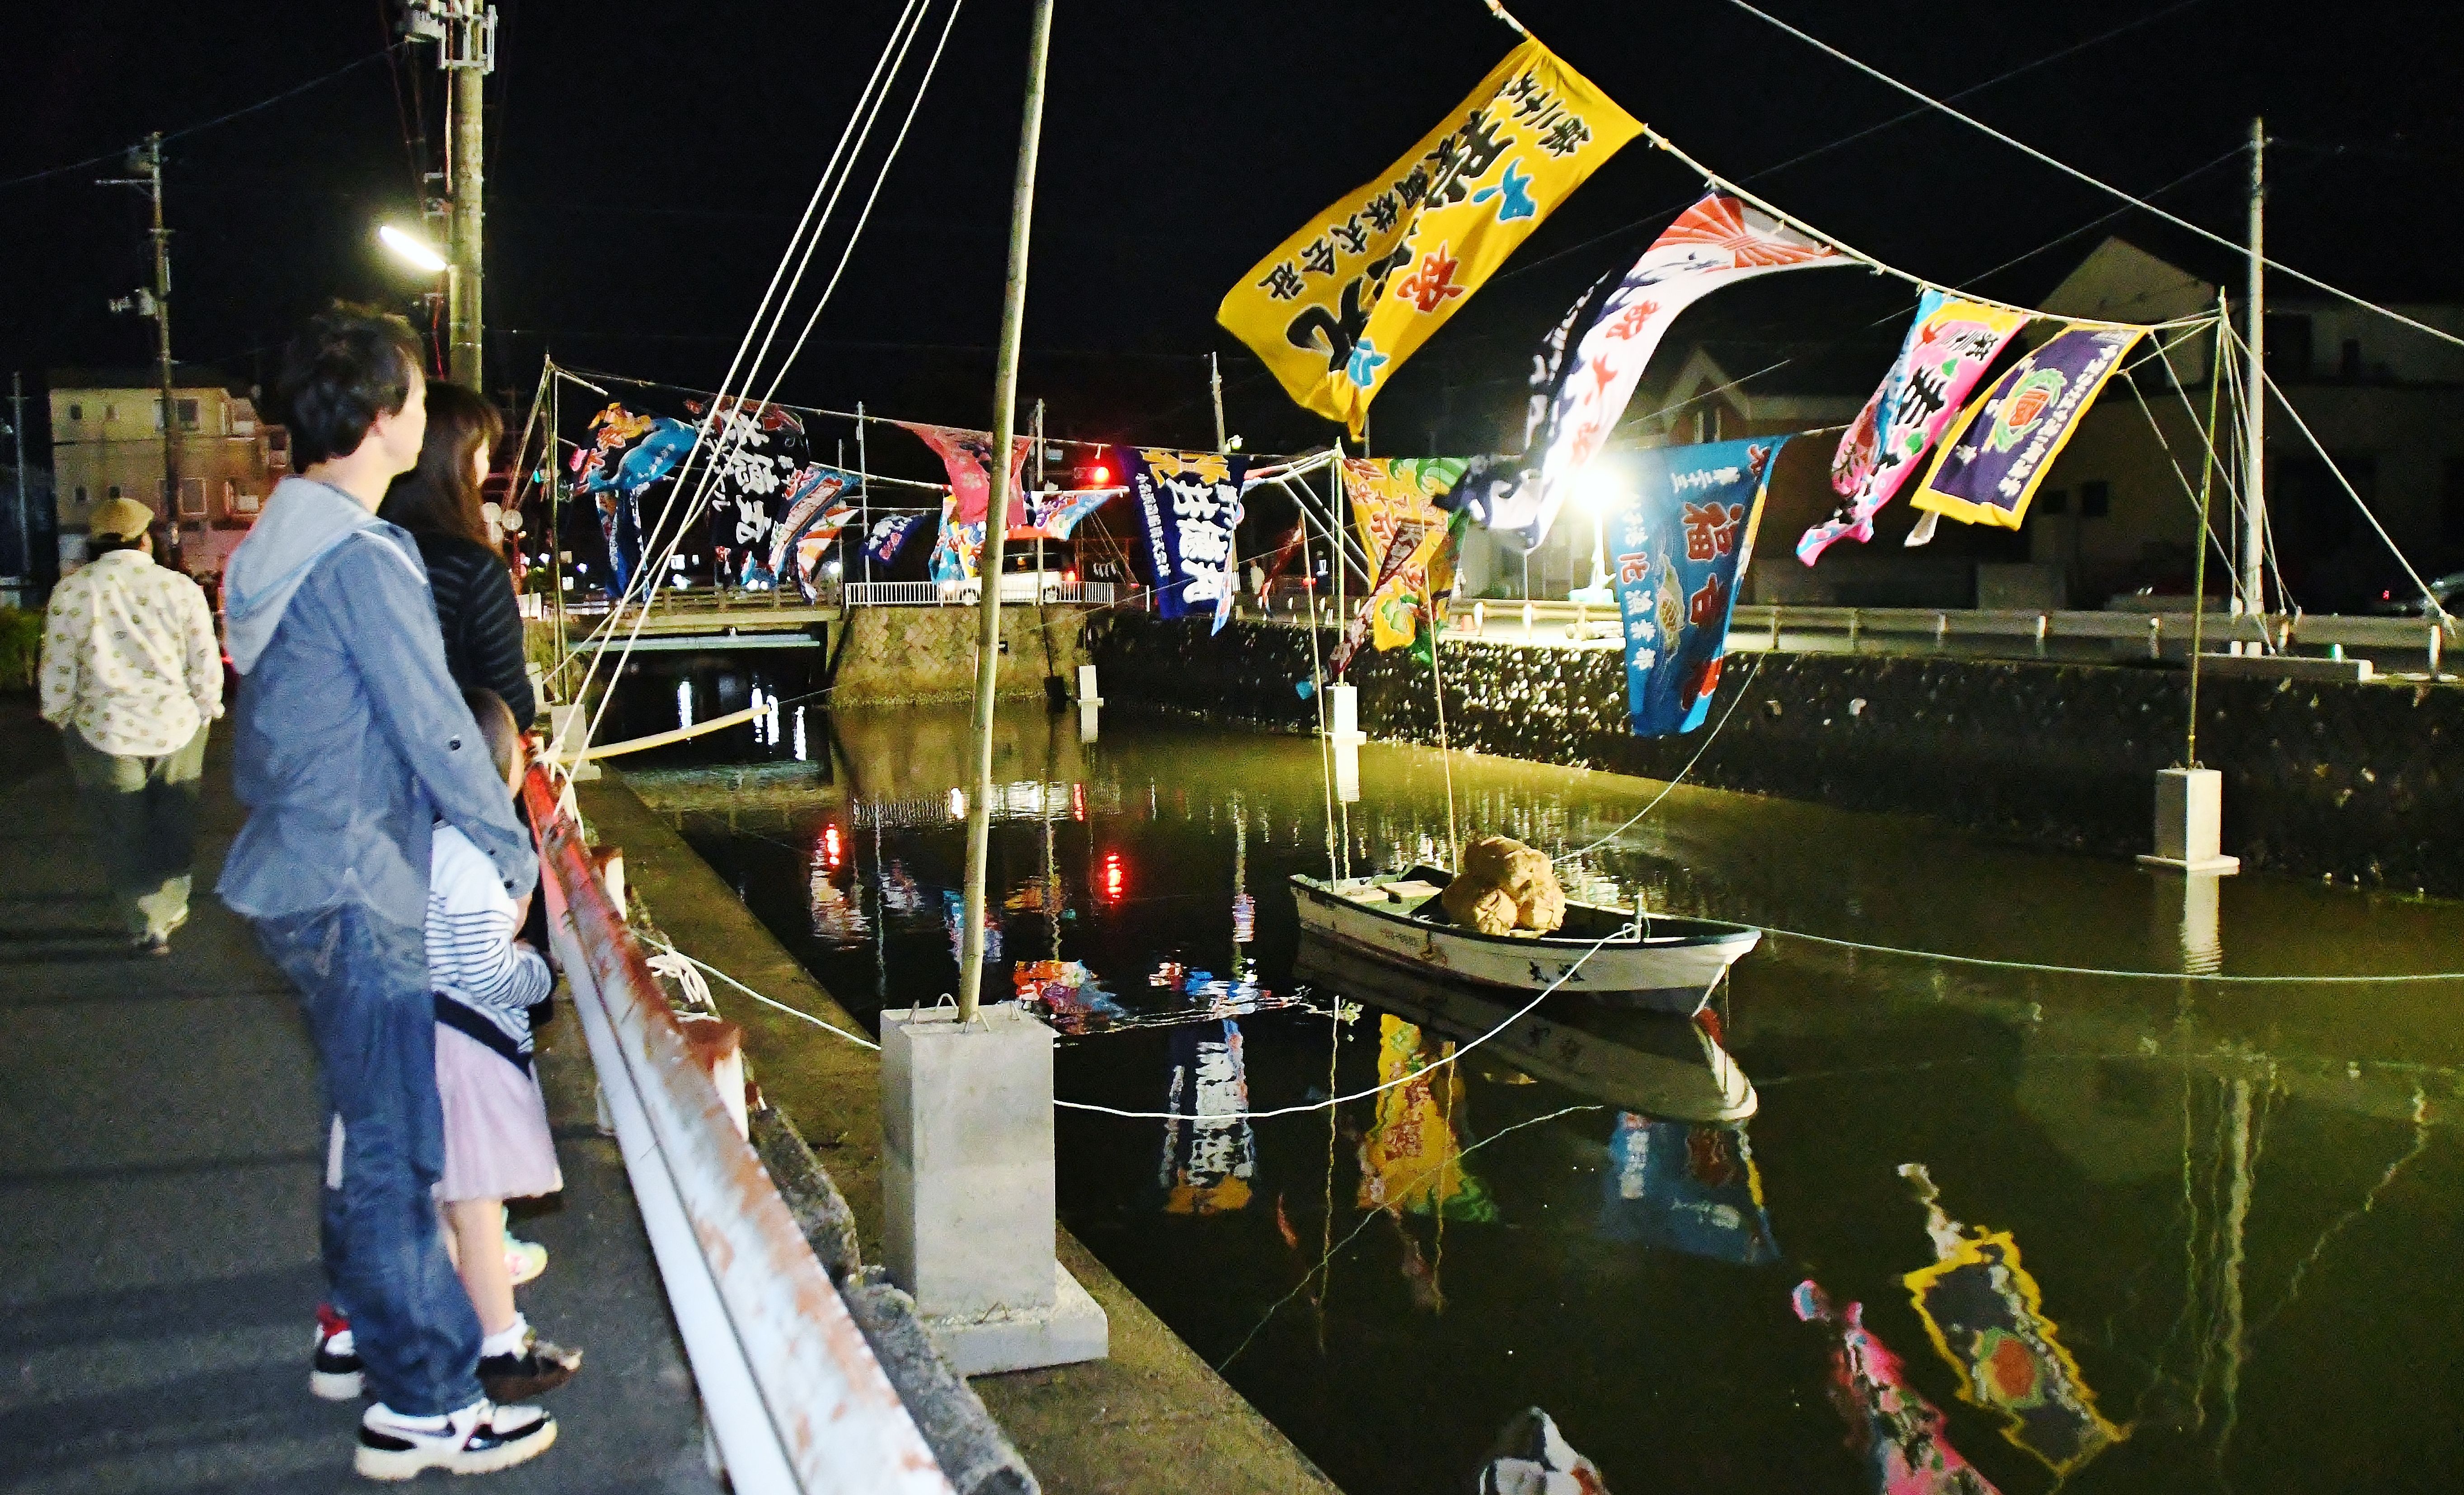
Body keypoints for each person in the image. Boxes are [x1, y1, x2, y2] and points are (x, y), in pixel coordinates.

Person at [218, 304, 555, 1479]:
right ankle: (422, 1399)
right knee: (398, 1147)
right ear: (378, 418)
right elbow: (437, 729)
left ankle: (360, 1335)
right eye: (413, 393)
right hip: (358, 882)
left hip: (298, 869)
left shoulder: (278, 542)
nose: (422, 411)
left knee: (362, 1123)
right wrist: (509, 853)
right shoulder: (362, 558)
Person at [428, 687, 581, 1397]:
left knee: (448, 1204)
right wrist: (539, 973)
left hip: (428, 1041)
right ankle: (501, 1344)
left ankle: (448, 1327)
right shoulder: (474, 859)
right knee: (479, 1205)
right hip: (470, 1055)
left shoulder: (428, 842)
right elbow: (486, 970)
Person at [38, 496, 223, 954]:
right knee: (173, 817)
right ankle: (171, 901)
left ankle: (146, 924)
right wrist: (206, 706)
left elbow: (59, 663)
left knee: (122, 826)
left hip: (104, 726)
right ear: (147, 539)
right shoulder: (179, 587)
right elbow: (203, 656)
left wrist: (59, 712)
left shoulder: (74, 590)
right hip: (175, 723)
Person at [377, 383, 535, 729]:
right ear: (455, 459)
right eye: (482, 450)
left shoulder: (366, 551)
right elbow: (510, 705)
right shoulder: (470, 568)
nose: (487, 462)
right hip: (451, 764)